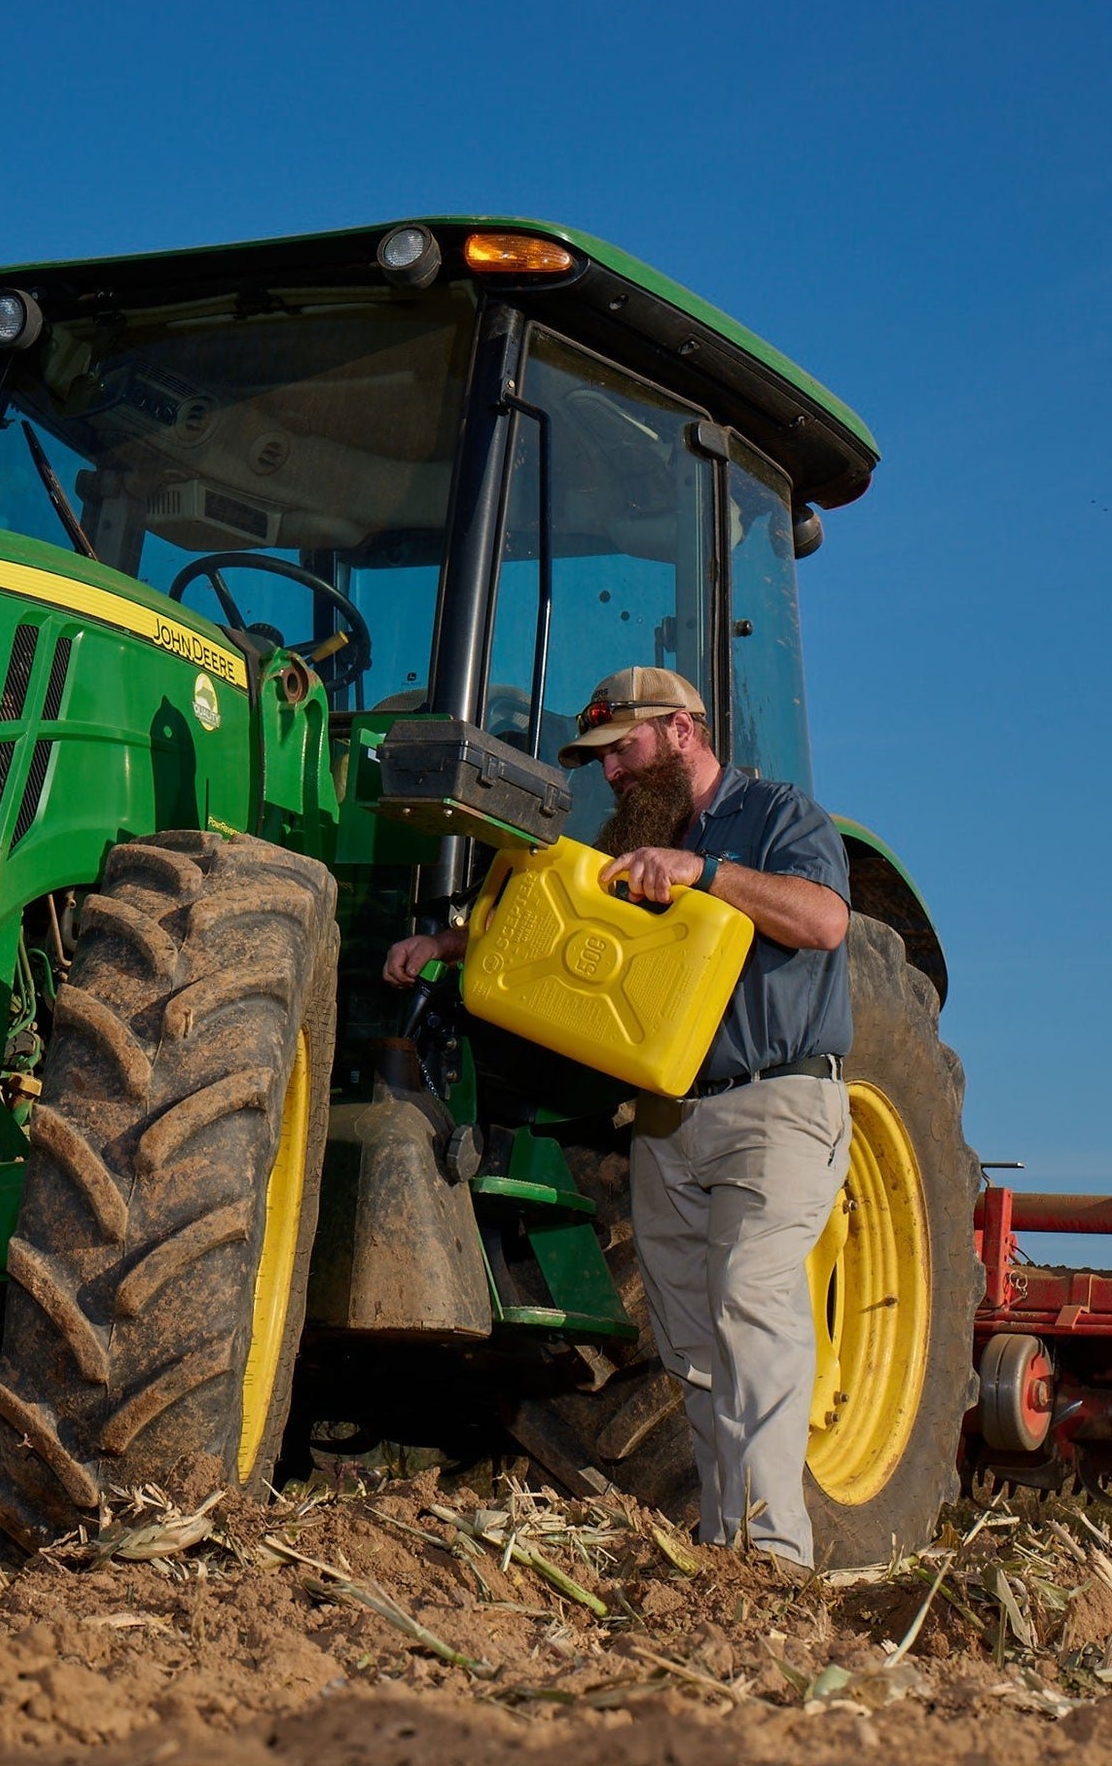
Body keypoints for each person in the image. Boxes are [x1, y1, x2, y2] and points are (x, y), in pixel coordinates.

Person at [382, 666, 851, 1570]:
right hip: (671, 1117)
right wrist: (443, 944)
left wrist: (706, 872)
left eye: (622, 749)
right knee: (687, 1341)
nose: (612, 774)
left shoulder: (781, 817)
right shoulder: (636, 835)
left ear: (683, 731)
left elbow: (825, 922)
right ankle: (725, 1551)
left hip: (779, 1103)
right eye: (599, 759)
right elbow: (567, 930)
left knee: (753, 1302)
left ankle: (777, 1558)